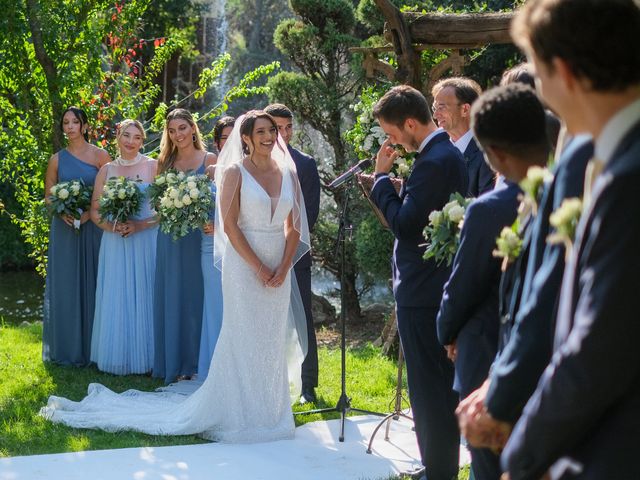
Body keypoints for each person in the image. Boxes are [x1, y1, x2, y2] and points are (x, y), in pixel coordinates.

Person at [41, 111, 311, 444]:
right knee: (241, 336)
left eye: (273, 130)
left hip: (279, 267)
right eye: (262, 131)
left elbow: (294, 226)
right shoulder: (234, 172)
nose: (270, 136)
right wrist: (259, 267)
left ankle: (271, 412)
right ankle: (237, 410)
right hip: (245, 266)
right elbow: (229, 226)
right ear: (246, 137)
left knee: (270, 338)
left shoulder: (289, 172)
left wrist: (283, 267)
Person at [497, 1, 640, 478]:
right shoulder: (617, 158)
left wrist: (522, 454)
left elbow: (601, 347)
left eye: (538, 73)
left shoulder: (629, 178)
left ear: (564, 72)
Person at [437, 83, 551, 480]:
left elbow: (461, 286)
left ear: (494, 156)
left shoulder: (490, 209)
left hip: (487, 349)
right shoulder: (564, 191)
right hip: (545, 371)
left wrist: (446, 331)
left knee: (487, 464)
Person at [369, 85, 467, 480]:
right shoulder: (445, 154)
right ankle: (439, 466)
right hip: (433, 285)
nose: (391, 141)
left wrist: (380, 182)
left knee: (429, 391)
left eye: (392, 133)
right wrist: (403, 192)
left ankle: (438, 470)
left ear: (410, 123)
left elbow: (408, 226)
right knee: (436, 388)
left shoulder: (433, 161)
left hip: (423, 289)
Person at [43, 106, 111, 365]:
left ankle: (97, 350)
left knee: (95, 282)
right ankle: (69, 350)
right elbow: (49, 195)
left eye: (75, 122)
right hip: (65, 230)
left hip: (93, 227)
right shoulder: (56, 159)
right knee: (67, 285)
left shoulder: (100, 156)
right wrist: (61, 213)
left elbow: (111, 190)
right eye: (66, 122)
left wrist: (89, 214)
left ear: (84, 125)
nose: (70, 126)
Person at [89, 120, 158, 375]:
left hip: (145, 239)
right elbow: (95, 211)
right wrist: (111, 227)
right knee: (117, 294)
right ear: (117, 137)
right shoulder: (106, 170)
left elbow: (164, 211)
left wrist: (140, 225)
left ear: (142, 141)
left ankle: (148, 358)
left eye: (137, 137)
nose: (131, 141)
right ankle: (117, 356)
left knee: (145, 292)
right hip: (115, 242)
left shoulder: (153, 166)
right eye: (126, 136)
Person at [153, 108, 216, 384]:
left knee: (196, 297)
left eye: (182, 128)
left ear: (193, 128)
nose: (177, 134)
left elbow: (219, 200)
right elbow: (156, 203)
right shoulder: (164, 163)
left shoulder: (209, 159)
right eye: (172, 130)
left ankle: (195, 363)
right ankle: (174, 363)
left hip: (199, 238)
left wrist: (210, 222)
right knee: (173, 296)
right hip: (170, 238)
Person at [264, 103, 321, 404]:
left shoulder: (306, 164)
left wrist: (284, 254)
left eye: (288, 127)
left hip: (295, 254)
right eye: (277, 128)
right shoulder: (251, 165)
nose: (283, 134)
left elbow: (307, 217)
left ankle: (307, 384)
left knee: (303, 318)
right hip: (258, 254)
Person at [196, 117, 234, 379]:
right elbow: (198, 205)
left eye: (235, 136)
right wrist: (203, 221)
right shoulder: (209, 170)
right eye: (224, 137)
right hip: (210, 246)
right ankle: (213, 370)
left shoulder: (250, 169)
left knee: (236, 308)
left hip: (240, 249)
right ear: (217, 141)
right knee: (214, 306)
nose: (230, 141)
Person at [431, 77, 495, 197]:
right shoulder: (436, 152)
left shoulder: (487, 153)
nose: (435, 115)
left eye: (441, 107)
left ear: (465, 109)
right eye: (434, 108)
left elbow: (487, 207)